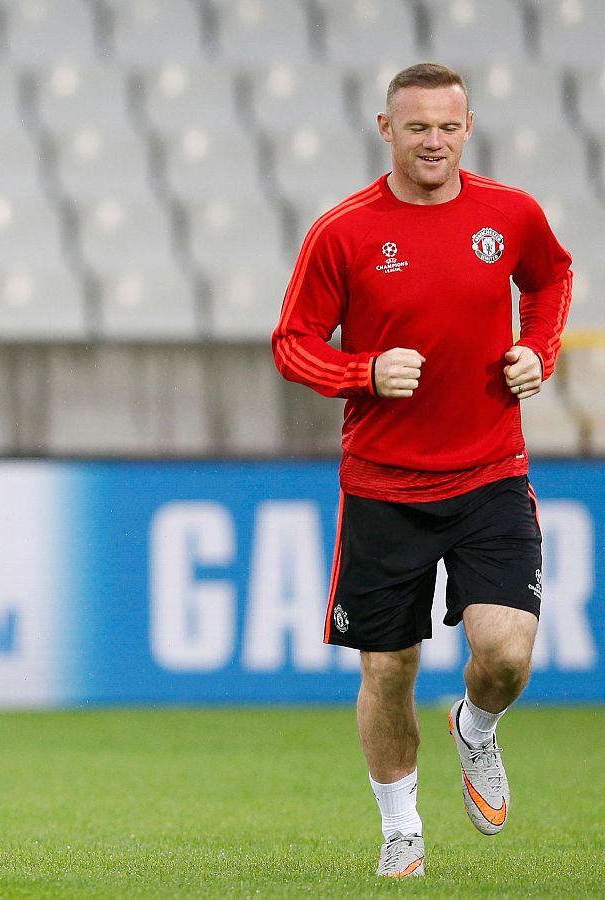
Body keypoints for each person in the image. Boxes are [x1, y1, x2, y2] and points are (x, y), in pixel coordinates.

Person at [273, 63, 572, 879]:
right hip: (384, 486)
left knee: (507, 653)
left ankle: (474, 726)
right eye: (416, 128)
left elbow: (550, 280)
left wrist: (536, 351)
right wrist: (361, 372)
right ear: (386, 130)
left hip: (490, 473)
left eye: (446, 126)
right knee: (388, 668)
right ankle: (401, 828)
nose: (432, 141)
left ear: (467, 127)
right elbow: (292, 342)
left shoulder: (510, 215)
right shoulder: (345, 230)